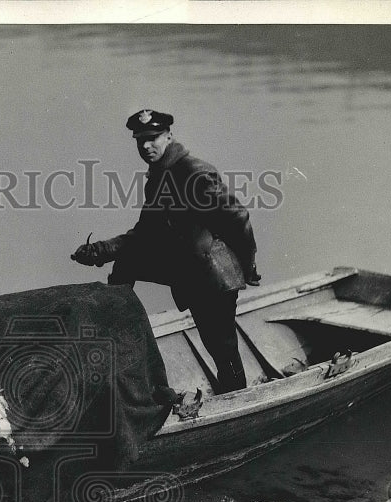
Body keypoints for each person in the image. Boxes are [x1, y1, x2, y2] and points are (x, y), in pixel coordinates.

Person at [71, 109, 261, 394]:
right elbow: (145, 233)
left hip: (214, 274)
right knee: (127, 260)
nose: (146, 146)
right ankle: (114, 332)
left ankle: (237, 400)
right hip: (190, 270)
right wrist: (102, 250)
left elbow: (238, 218)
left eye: (153, 138)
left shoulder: (193, 172)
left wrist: (249, 267)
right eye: (140, 141)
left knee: (221, 347)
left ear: (169, 136)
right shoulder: (160, 176)